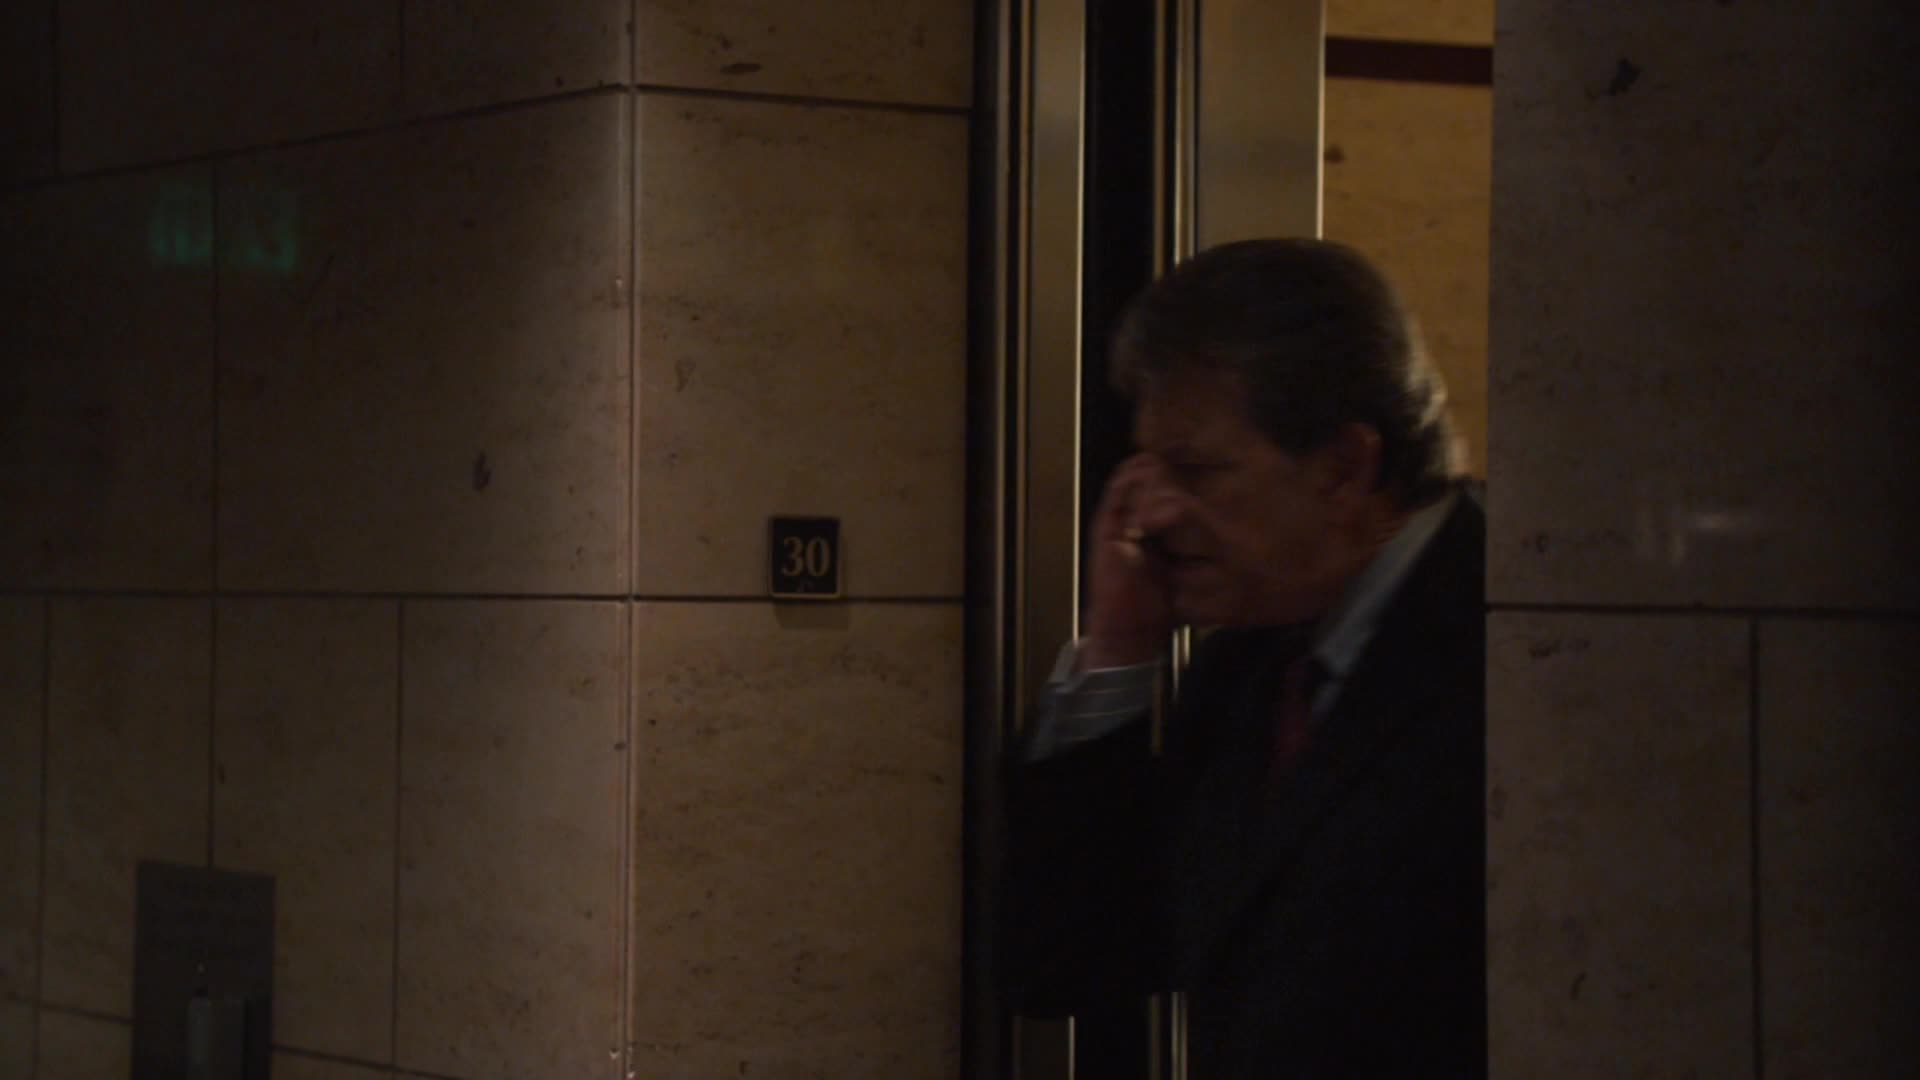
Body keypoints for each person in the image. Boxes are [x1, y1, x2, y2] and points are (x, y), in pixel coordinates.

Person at [1000, 238, 1487, 1076]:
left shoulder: (1523, 640)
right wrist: (1118, 648)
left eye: (1195, 470)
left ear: (1344, 466)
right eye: (1149, 468)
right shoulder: (1247, 666)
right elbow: (1071, 959)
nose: (1153, 513)